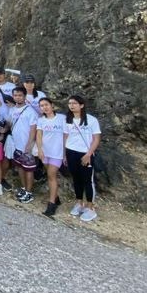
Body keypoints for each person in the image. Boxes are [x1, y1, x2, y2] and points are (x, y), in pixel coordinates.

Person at [64, 94, 101, 222]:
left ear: (81, 105)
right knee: (76, 179)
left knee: (87, 180)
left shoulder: (91, 120)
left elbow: (96, 139)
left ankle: (90, 207)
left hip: (85, 153)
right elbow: (65, 136)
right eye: (70, 103)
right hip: (71, 152)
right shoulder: (67, 119)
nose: (72, 105)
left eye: (74, 103)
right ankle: (79, 203)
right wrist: (64, 154)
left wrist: (89, 154)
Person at [8, 86, 39, 203]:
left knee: (29, 169)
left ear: (25, 96)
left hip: (27, 146)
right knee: (20, 167)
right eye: (15, 95)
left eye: (20, 95)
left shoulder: (30, 111)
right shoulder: (12, 110)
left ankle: (29, 192)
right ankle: (24, 188)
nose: (17, 97)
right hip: (16, 145)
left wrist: (29, 145)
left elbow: (33, 129)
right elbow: (10, 123)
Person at [36, 97, 65, 217]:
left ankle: (52, 204)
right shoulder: (41, 120)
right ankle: (56, 197)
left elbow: (66, 135)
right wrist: (39, 150)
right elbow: (39, 136)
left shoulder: (62, 118)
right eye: (41, 106)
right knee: (50, 175)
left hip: (57, 153)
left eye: (46, 104)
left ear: (52, 105)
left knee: (51, 175)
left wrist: (65, 153)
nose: (44, 107)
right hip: (45, 152)